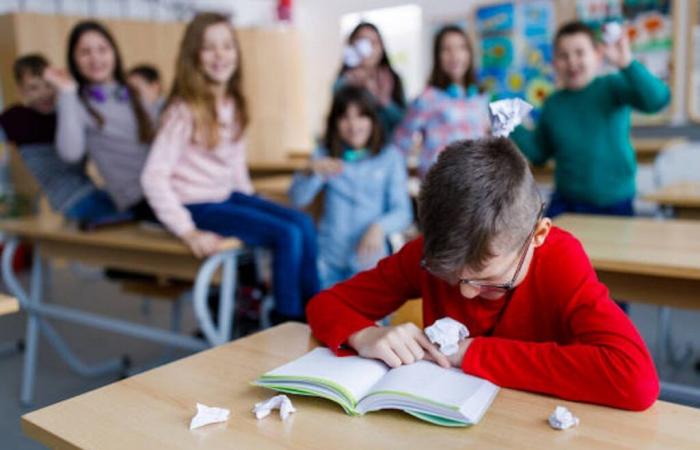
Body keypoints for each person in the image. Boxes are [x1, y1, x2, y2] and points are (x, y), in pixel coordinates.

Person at [307, 137, 658, 411]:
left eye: (491, 284)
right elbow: (326, 305)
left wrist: (473, 353)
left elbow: (635, 379)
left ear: (537, 236)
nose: (466, 295)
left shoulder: (559, 258)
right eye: (450, 278)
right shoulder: (428, 255)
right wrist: (363, 334)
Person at [141, 12, 319, 321]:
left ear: (236, 52)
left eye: (227, 45)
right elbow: (153, 177)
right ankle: (288, 320)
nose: (220, 55)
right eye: (209, 47)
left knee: (303, 223)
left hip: (226, 196)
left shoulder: (232, 104)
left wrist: (252, 204)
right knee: (287, 233)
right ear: (193, 55)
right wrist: (188, 232)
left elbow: (235, 166)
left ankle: (320, 312)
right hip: (197, 204)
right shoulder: (183, 111)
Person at [511, 21, 670, 217]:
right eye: (563, 55)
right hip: (567, 201)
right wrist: (511, 125)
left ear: (597, 55)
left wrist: (626, 63)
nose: (571, 62)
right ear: (554, 62)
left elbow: (658, 100)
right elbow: (539, 153)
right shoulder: (553, 104)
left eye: (579, 53)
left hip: (616, 203)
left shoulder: (612, 86)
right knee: (543, 242)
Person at [289, 85, 412, 288]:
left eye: (361, 116)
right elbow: (297, 199)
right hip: (328, 258)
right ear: (335, 123)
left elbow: (402, 212)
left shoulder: (390, 158)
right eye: (345, 117)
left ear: (373, 120)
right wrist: (310, 171)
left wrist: (379, 228)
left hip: (369, 259)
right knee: (329, 316)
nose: (353, 125)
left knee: (372, 318)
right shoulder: (325, 154)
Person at [45, 20, 159, 221]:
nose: (95, 58)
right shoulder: (77, 103)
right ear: (74, 60)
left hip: (169, 189)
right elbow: (71, 153)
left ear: (114, 53)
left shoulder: (134, 94)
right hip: (140, 199)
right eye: (85, 52)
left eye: (102, 49)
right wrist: (67, 92)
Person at [0, 53, 125, 223]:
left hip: (91, 190)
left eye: (48, 85)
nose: (44, 93)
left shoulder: (67, 110)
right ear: (21, 90)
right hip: (71, 201)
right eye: (33, 88)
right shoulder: (16, 118)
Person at [392, 25, 490, 178]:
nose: (454, 55)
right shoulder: (427, 98)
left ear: (469, 53)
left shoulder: (480, 97)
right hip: (441, 185)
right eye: (446, 49)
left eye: (461, 48)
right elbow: (400, 143)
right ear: (437, 56)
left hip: (475, 185)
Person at [335, 22, 406, 137]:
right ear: (352, 45)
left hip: (386, 148)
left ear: (381, 47)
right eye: (362, 41)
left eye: (374, 42)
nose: (368, 48)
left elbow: (405, 121)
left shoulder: (392, 80)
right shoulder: (343, 82)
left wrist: (383, 100)